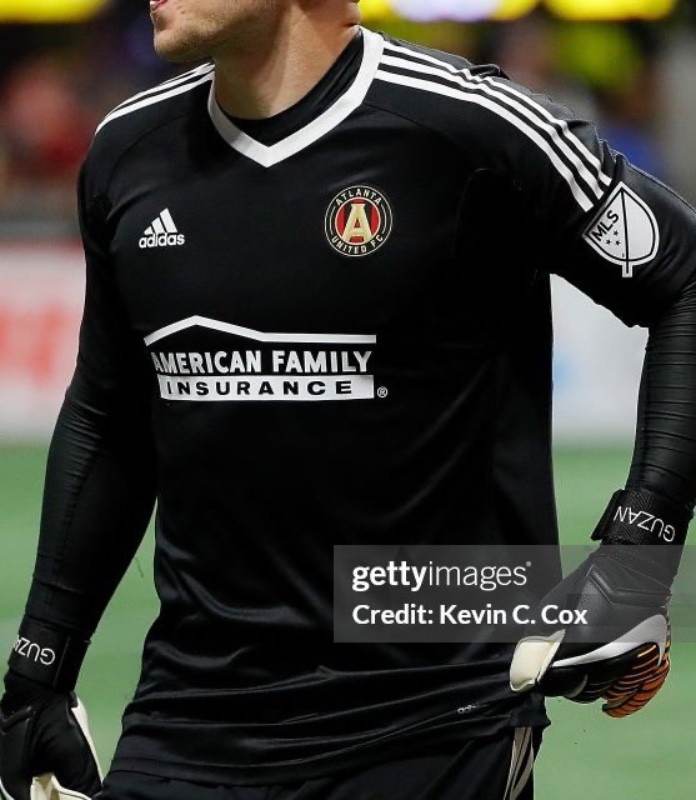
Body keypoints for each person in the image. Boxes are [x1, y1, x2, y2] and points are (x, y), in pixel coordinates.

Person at [1, 1, 695, 798]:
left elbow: (687, 278)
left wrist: (637, 554)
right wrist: (41, 666)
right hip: (186, 717)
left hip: (435, 716)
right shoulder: (128, 147)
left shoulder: (471, 127)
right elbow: (110, 414)